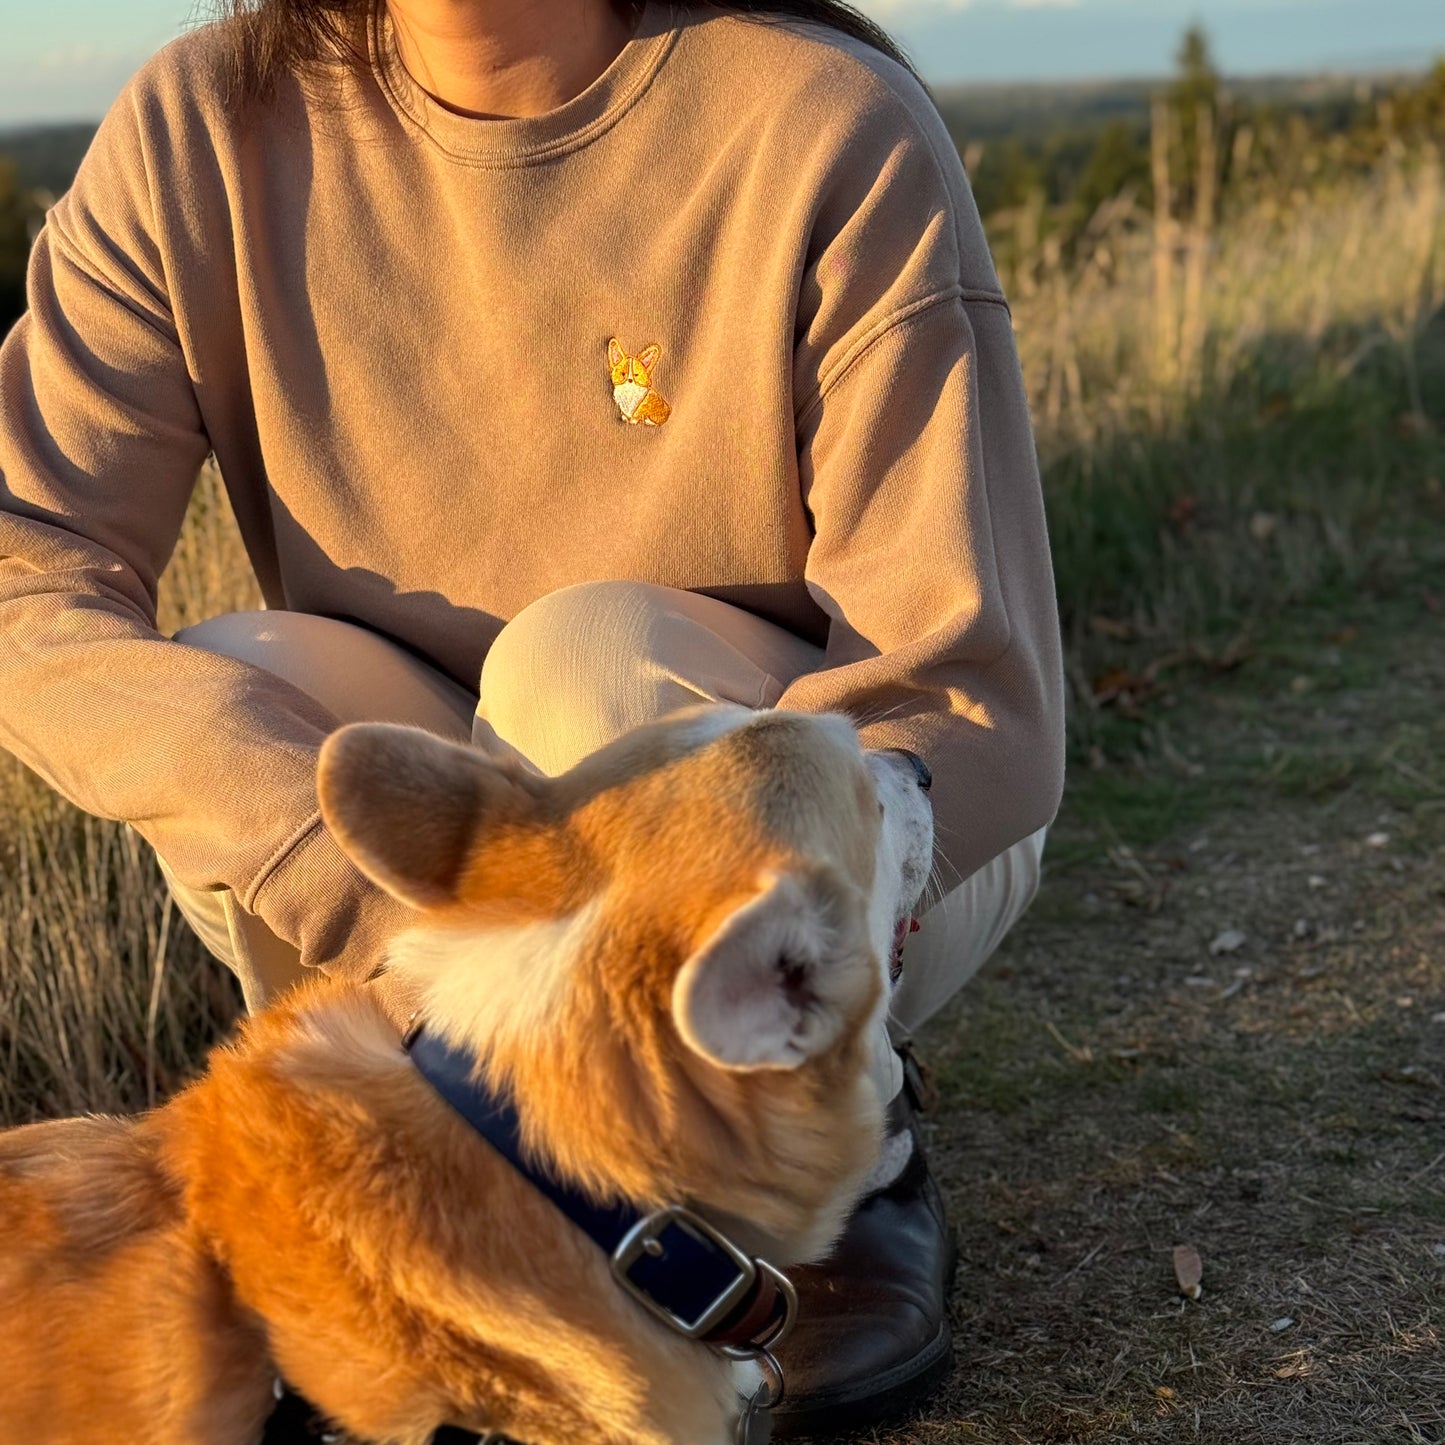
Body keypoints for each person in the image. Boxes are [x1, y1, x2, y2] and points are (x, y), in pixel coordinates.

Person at [0, 0, 1065, 1436]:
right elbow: (27, 576)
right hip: (492, 879)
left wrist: (790, 892)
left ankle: (831, 1158)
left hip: (852, 826)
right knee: (236, 672)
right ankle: (417, 1206)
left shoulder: (822, 121)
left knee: (586, 659)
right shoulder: (202, 129)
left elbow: (962, 690)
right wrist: (348, 880)